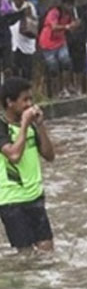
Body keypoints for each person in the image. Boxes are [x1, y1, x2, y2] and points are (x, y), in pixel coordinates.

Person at [0, 77, 55, 252]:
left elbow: (49, 155)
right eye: (25, 100)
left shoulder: (32, 126)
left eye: (31, 99)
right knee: (26, 257)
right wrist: (24, 124)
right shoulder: (2, 126)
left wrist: (40, 126)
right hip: (12, 201)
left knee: (47, 250)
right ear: (9, 102)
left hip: (36, 196)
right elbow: (14, 155)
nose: (29, 104)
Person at [38, 0, 79, 98]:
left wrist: (74, 26)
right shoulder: (54, 12)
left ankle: (67, 86)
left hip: (60, 41)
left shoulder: (70, 14)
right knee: (53, 68)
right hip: (48, 42)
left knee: (66, 62)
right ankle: (57, 90)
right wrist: (67, 26)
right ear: (63, 3)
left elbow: (70, 29)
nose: (70, 7)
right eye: (68, 4)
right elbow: (54, 26)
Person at [9, 0, 36, 81]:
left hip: (26, 43)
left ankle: (28, 90)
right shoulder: (10, 7)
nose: (17, 2)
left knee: (27, 70)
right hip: (14, 43)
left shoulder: (29, 6)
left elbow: (34, 21)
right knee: (15, 68)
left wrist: (28, 14)